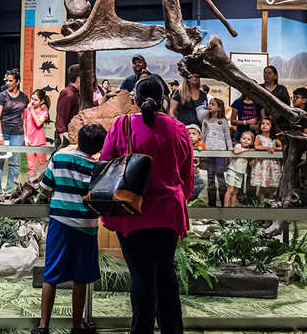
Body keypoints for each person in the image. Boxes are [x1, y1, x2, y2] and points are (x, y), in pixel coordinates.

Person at [100, 76, 192, 334]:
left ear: (135, 99)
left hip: (132, 212)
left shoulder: (122, 125)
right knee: (166, 270)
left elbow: (106, 163)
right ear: (163, 99)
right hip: (168, 212)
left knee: (141, 274)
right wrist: (179, 199)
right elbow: (187, 177)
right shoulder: (178, 128)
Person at [34, 124, 105, 334]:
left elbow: (45, 188)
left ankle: (43, 326)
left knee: (51, 273)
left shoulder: (59, 158)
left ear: (78, 139)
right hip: (86, 226)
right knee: (81, 277)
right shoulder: (98, 167)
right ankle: (77, 325)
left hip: (60, 223)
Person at [0, 69, 29, 192]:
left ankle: (11, 190)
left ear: (17, 82)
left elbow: (25, 117)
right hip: (2, 131)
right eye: (6, 81)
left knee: (15, 163)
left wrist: (25, 135)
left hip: (17, 133)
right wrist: (0, 135)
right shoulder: (2, 96)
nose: (7, 83)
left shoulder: (24, 97)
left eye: (10, 81)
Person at [201, 97, 230, 207]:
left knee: (221, 177)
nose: (210, 106)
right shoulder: (205, 120)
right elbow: (203, 137)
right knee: (210, 177)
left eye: (213, 104)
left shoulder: (223, 122)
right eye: (209, 104)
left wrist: (230, 152)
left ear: (219, 108)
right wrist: (202, 150)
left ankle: (223, 203)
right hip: (209, 152)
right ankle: (211, 204)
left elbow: (227, 137)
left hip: (220, 152)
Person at [291, 88, 307, 207]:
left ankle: (304, 203)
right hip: (292, 149)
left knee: (306, 178)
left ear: (304, 100)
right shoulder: (290, 111)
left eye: (296, 98)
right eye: (293, 97)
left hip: (305, 149)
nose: (294, 100)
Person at [251, 117, 283, 202]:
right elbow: (256, 146)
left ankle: (270, 203)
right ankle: (261, 203)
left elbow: (282, 147)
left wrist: (275, 148)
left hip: (273, 164)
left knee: (272, 186)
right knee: (263, 186)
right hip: (263, 164)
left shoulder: (274, 139)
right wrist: (268, 148)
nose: (264, 125)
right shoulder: (259, 137)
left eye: (267, 124)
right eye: (263, 123)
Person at [224, 131, 254, 208]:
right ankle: (226, 207)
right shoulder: (238, 146)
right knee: (230, 190)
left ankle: (232, 207)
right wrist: (246, 150)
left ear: (251, 142)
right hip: (232, 171)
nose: (246, 140)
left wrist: (253, 156)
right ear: (240, 139)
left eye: (248, 139)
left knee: (235, 192)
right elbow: (236, 151)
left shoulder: (250, 151)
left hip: (240, 173)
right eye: (244, 138)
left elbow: (251, 164)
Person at [24, 89, 50, 176]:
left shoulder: (44, 111)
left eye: (35, 100)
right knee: (30, 167)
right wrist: (25, 137)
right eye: (32, 99)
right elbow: (24, 125)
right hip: (29, 142)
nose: (32, 101)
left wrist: (32, 111)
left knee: (42, 165)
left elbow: (39, 123)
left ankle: (42, 183)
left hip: (40, 142)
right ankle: (30, 183)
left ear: (41, 101)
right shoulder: (26, 110)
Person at [54, 64, 81, 148]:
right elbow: (60, 119)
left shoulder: (75, 94)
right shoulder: (68, 94)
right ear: (78, 79)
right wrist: (64, 143)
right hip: (66, 139)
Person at [186, 124, 205, 202]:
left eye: (194, 134)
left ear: (199, 135)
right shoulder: (185, 143)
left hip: (196, 170)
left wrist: (200, 148)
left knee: (196, 185)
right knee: (200, 184)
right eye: (188, 134)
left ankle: (191, 199)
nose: (191, 136)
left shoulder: (200, 144)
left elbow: (204, 154)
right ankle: (189, 198)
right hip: (187, 171)